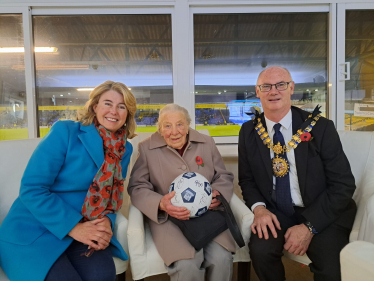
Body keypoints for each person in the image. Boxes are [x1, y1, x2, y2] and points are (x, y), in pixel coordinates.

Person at [0, 81, 137, 281]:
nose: (114, 111)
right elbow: (32, 189)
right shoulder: (65, 132)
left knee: (103, 275)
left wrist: (107, 221)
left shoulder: (125, 150)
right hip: (36, 229)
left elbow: (111, 197)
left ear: (127, 114)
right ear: (95, 106)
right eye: (107, 103)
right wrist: (75, 228)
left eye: (121, 106)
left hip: (86, 229)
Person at [238, 66, 356, 281]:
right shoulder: (248, 132)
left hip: (322, 209)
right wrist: (259, 210)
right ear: (258, 91)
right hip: (277, 211)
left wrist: (309, 226)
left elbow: (343, 185)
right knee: (261, 251)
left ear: (291, 88)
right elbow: (247, 180)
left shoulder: (320, 127)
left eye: (280, 85)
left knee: (330, 268)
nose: (274, 91)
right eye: (266, 86)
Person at [128, 104, 235, 281]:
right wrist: (161, 203)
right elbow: (137, 187)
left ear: (188, 125)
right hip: (171, 219)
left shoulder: (206, 143)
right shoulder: (147, 149)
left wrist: (216, 194)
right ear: (160, 129)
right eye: (167, 126)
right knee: (187, 265)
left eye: (180, 124)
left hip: (209, 215)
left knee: (221, 259)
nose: (174, 131)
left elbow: (223, 175)